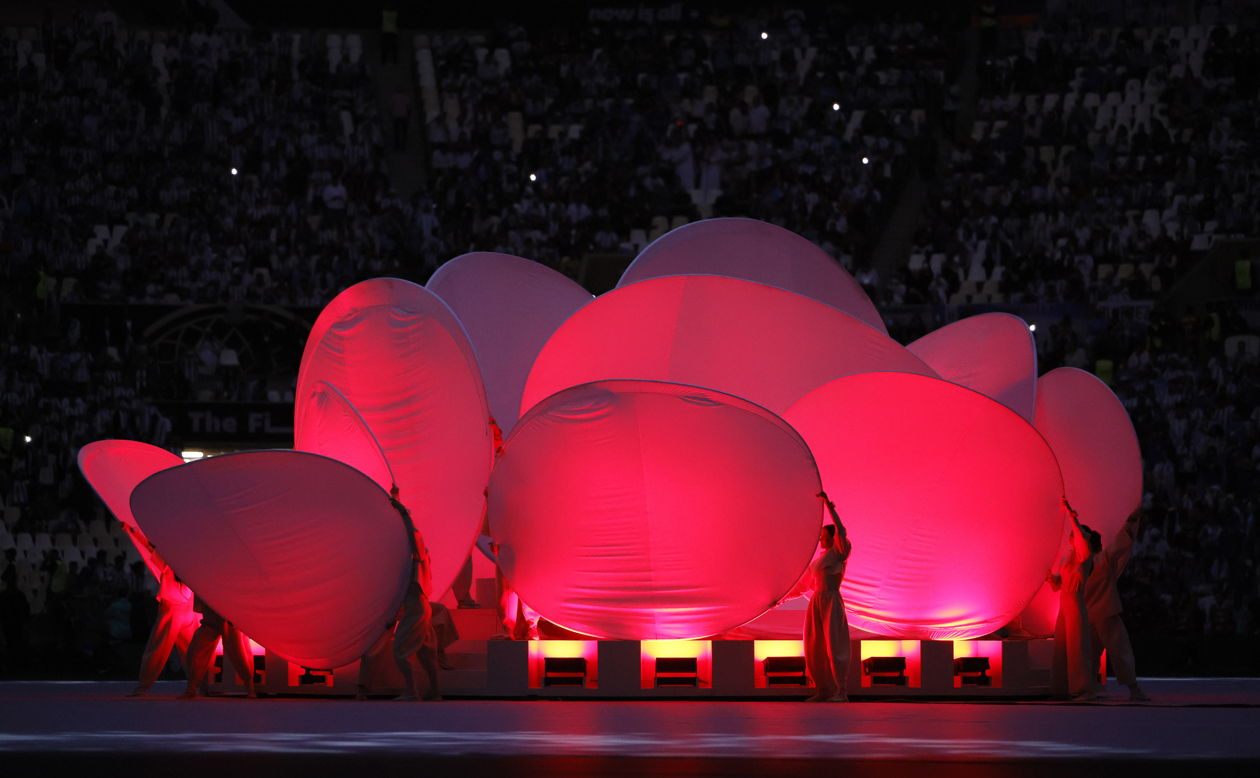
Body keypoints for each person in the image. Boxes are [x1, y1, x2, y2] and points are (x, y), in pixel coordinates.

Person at [1086, 508, 1150, 702]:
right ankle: (1133, 689)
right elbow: (1118, 545)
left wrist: (1131, 520)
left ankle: (1088, 690)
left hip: (1099, 613)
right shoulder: (1088, 563)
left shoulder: (1096, 561)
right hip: (1101, 613)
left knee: (1103, 653)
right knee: (1114, 652)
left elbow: (1118, 546)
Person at [387, 485, 441, 701]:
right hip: (422, 606)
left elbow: (413, 532)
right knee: (428, 651)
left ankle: (412, 691)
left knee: (400, 649)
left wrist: (401, 508)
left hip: (417, 608)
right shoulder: (421, 562)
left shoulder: (417, 559)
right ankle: (435, 692)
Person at [1048, 498, 1102, 701]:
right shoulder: (1065, 560)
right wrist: (1051, 580)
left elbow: (1080, 536)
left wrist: (1072, 515)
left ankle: (1084, 690)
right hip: (1065, 602)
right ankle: (1062, 687)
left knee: (1078, 645)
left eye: (1076, 534)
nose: (1073, 536)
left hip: (1076, 602)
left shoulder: (1084, 557)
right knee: (1062, 644)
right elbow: (1057, 586)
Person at [128, 550, 198, 697]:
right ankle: (199, 686)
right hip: (190, 606)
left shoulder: (172, 556)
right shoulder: (191, 556)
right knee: (192, 650)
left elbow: (152, 549)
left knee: (159, 646)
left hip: (174, 605)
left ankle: (143, 686)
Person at [804, 491, 852, 703]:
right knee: (815, 645)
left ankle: (841, 691)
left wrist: (829, 506)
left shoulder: (839, 553)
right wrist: (781, 599)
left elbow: (841, 530)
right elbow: (806, 584)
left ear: (832, 538)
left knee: (834, 644)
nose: (821, 538)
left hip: (831, 602)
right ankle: (823, 689)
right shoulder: (818, 560)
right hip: (817, 601)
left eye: (824, 536)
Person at [178, 595, 256, 699]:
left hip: (227, 616)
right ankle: (191, 688)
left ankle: (250, 688)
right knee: (194, 651)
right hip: (211, 617)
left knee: (238, 653)